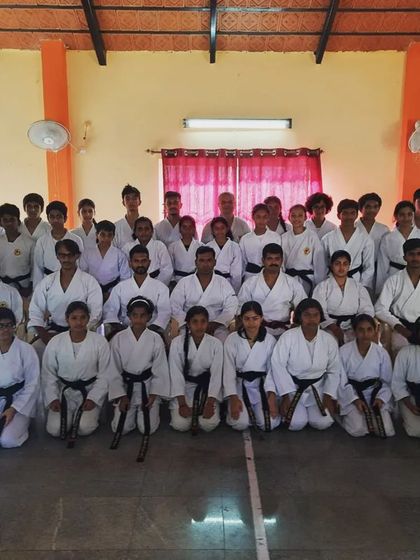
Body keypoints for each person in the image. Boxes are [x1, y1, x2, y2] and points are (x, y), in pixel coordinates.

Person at [266, 298, 341, 431]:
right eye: (307, 315)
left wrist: (328, 395)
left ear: (320, 317)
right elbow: (278, 365)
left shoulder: (329, 340)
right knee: (296, 423)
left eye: (315, 315)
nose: (312, 319)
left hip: (318, 388)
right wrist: (285, 395)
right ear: (299, 317)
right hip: (293, 388)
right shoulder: (288, 337)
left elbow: (334, 369)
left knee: (323, 423)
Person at [42, 302, 111, 446]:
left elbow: (105, 374)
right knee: (54, 429)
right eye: (74, 318)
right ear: (67, 319)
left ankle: (89, 415)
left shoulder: (100, 342)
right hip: (64, 392)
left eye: (82, 318)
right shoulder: (55, 342)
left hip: (89, 390)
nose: (78, 322)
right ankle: (70, 416)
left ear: (88, 319)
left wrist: (93, 398)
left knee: (84, 428)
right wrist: (53, 398)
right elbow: (49, 374)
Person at [108, 297, 170, 457]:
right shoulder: (118, 338)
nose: (138, 319)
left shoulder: (156, 338)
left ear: (149, 317)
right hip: (126, 387)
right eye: (135, 315)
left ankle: (148, 410)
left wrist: (154, 394)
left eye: (143, 315)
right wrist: (121, 395)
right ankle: (128, 410)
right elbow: (113, 369)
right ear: (129, 316)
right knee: (120, 428)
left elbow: (160, 369)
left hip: (147, 386)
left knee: (147, 428)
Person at [28, 239, 103, 360]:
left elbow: (96, 313)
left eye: (70, 255)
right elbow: (35, 311)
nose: (66, 259)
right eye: (62, 255)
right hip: (52, 333)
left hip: (82, 332)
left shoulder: (89, 282)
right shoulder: (47, 282)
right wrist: (44, 336)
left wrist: (77, 333)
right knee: (34, 350)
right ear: (57, 256)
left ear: (77, 256)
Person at [224, 301, 279, 432]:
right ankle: (233, 409)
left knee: (268, 424)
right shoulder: (232, 339)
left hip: (262, 385)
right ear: (241, 319)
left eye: (255, 318)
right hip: (239, 385)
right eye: (247, 319)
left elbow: (272, 371)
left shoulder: (270, 340)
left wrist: (271, 397)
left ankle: (254, 413)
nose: (251, 323)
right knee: (240, 423)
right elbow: (228, 370)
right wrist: (233, 397)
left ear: (261, 318)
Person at [338, 314, 394, 438]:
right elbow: (341, 382)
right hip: (353, 394)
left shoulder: (381, 353)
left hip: (376, 394)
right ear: (354, 331)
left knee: (386, 430)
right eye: (361, 330)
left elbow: (387, 381)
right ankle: (345, 417)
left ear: (375, 331)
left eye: (369, 329)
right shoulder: (343, 352)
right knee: (357, 430)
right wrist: (355, 400)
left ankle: (374, 414)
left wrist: (380, 398)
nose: (365, 334)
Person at [169, 306, 222, 433]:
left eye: (203, 321)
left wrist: (210, 403)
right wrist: (182, 404)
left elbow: (216, 375)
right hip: (184, 389)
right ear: (188, 324)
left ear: (207, 323)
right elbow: (175, 374)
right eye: (195, 322)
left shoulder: (216, 344)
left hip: (206, 389)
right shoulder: (177, 343)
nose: (199, 326)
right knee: (180, 424)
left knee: (208, 424)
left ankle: (209, 408)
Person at [170, 246, 238, 342]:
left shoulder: (223, 282)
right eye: (201, 260)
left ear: (215, 262)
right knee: (181, 342)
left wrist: (215, 323)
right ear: (196, 262)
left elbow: (231, 306)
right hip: (189, 325)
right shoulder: (184, 282)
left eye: (209, 260)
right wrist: (193, 323)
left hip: (216, 326)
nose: (205, 264)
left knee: (225, 341)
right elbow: (175, 306)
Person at [237, 243, 306, 338]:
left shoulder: (292, 283)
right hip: (256, 330)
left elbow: (303, 307)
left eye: (277, 259)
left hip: (284, 332)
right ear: (263, 261)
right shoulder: (250, 283)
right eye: (269, 259)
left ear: (282, 261)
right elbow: (241, 308)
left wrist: (296, 324)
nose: (273, 262)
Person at [103, 245, 170, 335]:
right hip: (124, 332)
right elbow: (110, 312)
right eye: (136, 261)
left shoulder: (161, 288)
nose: (140, 264)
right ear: (130, 263)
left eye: (143, 261)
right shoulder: (119, 288)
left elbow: (164, 313)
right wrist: (125, 331)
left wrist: (147, 332)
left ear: (149, 262)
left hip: (153, 333)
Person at [313, 251, 374, 346]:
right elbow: (319, 311)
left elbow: (367, 309)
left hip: (354, 326)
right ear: (331, 266)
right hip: (330, 326)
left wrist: (358, 326)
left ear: (349, 266)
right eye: (337, 264)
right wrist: (333, 328)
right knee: (328, 343)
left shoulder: (358, 287)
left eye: (345, 264)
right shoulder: (322, 287)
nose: (341, 268)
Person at [0, 308, 39, 448]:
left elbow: (33, 384)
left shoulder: (26, 350)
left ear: (14, 326)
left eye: (8, 325)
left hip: (19, 401)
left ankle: (25, 426)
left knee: (7, 440)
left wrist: (13, 409)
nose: (5, 330)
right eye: (0, 326)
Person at [375, 238, 420, 356]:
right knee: (400, 346)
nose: (415, 258)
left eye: (419, 254)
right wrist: (399, 327)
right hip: (401, 328)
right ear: (405, 257)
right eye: (411, 254)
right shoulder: (394, 280)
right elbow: (379, 309)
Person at [322, 199, 375, 290]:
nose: (349, 217)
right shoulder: (327, 238)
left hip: (356, 281)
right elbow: (322, 265)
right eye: (345, 213)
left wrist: (362, 287)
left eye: (352, 213)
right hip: (332, 280)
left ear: (357, 215)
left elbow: (369, 267)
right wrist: (326, 281)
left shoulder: (366, 239)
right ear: (339, 215)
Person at [33, 201, 83, 287]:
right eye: (52, 217)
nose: (55, 220)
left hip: (71, 281)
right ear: (48, 219)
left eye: (59, 217)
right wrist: (37, 289)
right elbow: (38, 268)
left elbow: (80, 265)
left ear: (65, 218)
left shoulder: (76, 240)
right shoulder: (42, 241)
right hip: (48, 282)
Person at [280, 203, 327, 295]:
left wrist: (319, 284)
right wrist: (281, 278)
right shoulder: (284, 238)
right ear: (289, 218)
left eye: (300, 216)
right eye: (293, 216)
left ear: (305, 217)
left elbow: (319, 262)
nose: (296, 219)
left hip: (306, 279)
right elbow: (280, 261)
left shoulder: (312, 236)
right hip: (288, 278)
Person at [79, 220, 131, 301]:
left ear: (113, 236)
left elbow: (125, 278)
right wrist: (92, 291)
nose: (106, 238)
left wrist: (113, 293)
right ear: (97, 235)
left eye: (109, 235)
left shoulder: (120, 255)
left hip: (113, 292)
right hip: (92, 291)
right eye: (102, 235)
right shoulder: (87, 253)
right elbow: (82, 275)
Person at [376, 201, 420, 294]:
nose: (406, 218)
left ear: (413, 215)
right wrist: (380, 290)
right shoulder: (388, 238)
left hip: (417, 275)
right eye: (402, 215)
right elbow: (382, 266)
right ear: (396, 216)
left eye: (409, 214)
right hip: (394, 276)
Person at [122, 216, 173, 286]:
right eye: (140, 229)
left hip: (156, 283)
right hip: (133, 284)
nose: (144, 232)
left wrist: (156, 285)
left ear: (152, 231)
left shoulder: (159, 246)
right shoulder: (127, 248)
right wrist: (134, 285)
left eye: (147, 229)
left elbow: (167, 269)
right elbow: (125, 270)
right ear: (135, 232)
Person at [392, 320, 420, 438]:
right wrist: (410, 406)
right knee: (415, 431)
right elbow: (397, 383)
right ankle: (406, 417)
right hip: (411, 398)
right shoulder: (405, 353)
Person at [239, 203, 282, 280]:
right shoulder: (245, 239)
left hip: (271, 275)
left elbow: (280, 260)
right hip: (250, 276)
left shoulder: (275, 237)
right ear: (253, 217)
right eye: (258, 217)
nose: (261, 220)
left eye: (265, 217)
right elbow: (241, 262)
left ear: (268, 218)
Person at [0, 203, 34, 298]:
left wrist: (31, 286)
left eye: (12, 219)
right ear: (0, 222)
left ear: (18, 221)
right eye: (5, 220)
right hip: (3, 285)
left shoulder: (29, 242)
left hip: (24, 286)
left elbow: (35, 268)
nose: (9, 223)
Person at [206, 216, 242, 293]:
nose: (220, 231)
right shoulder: (207, 247)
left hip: (228, 283)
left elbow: (237, 274)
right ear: (212, 231)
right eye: (216, 228)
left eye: (222, 228)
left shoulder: (235, 247)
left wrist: (234, 291)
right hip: (211, 282)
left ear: (227, 229)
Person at [168, 215, 202, 284]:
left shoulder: (200, 246)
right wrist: (172, 280)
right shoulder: (172, 247)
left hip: (196, 280)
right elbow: (169, 266)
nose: (187, 230)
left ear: (194, 229)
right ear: (180, 229)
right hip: (178, 280)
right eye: (184, 227)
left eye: (190, 227)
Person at [356, 192, 389, 262]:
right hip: (355, 266)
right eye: (368, 207)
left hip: (377, 265)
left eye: (375, 207)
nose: (372, 210)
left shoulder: (384, 230)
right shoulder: (353, 227)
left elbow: (386, 253)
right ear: (360, 209)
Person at [114, 184, 141, 250]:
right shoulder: (116, 227)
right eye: (127, 199)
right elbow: (113, 250)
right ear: (123, 202)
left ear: (140, 202)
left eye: (134, 198)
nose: (131, 201)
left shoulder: (147, 225)